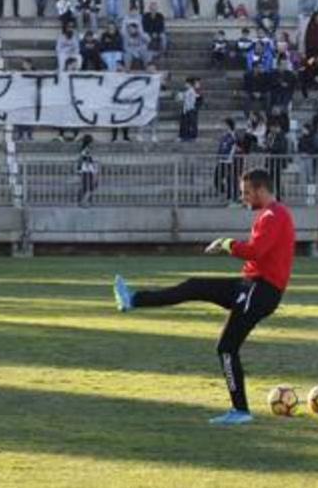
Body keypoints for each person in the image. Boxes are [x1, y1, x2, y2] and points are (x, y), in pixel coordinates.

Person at [113, 169, 296, 426]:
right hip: (252, 288)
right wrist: (227, 244)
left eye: (246, 193)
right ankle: (133, 300)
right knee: (195, 286)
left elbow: (255, 251)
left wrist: (226, 243)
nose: (243, 198)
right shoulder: (271, 214)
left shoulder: (274, 215)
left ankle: (241, 411)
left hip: (259, 291)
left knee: (226, 347)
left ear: (260, 190)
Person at [76, 134, 97, 206]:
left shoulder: (86, 150)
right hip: (87, 170)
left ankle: (87, 200)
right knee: (88, 186)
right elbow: (84, 159)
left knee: (89, 186)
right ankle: (83, 201)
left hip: (87, 169)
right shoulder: (86, 150)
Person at [179, 77, 201, 141]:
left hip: (190, 110)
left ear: (189, 84)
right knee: (186, 124)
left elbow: (191, 101)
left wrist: (189, 109)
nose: (185, 85)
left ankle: (191, 136)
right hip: (186, 109)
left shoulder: (191, 91)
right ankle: (186, 136)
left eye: (186, 83)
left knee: (190, 123)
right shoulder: (188, 91)